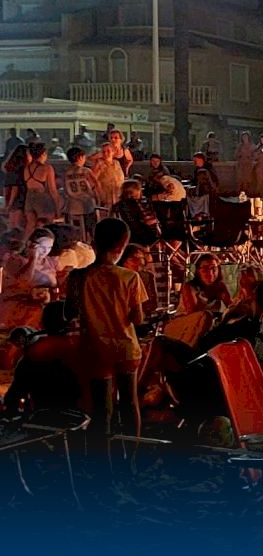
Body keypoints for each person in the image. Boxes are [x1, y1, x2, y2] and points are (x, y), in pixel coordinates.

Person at [65, 218, 147, 447]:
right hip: (126, 348)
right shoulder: (130, 277)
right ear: (122, 246)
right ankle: (132, 458)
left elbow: (69, 313)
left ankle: (104, 459)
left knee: (102, 410)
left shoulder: (77, 277)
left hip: (95, 349)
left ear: (94, 243)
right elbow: (137, 319)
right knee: (130, 404)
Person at [0, 228, 57, 329]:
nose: (45, 251)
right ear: (30, 244)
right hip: (19, 307)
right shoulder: (15, 260)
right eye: (42, 247)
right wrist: (33, 258)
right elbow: (24, 281)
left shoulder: (49, 262)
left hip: (43, 306)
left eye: (49, 247)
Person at [111, 179, 162, 246]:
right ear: (137, 191)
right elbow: (148, 221)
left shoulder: (116, 206)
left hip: (123, 238)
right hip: (141, 237)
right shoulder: (138, 204)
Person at [63, 147, 99, 237]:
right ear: (80, 158)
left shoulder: (65, 172)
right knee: (92, 232)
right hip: (87, 206)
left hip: (72, 207)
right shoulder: (86, 171)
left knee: (73, 233)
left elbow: (65, 189)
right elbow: (96, 186)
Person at [22, 143, 59, 227]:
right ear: (43, 154)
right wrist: (57, 208)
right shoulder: (47, 168)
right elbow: (53, 190)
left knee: (31, 226)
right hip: (42, 198)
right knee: (46, 225)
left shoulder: (26, 168)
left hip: (29, 198)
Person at [91, 142, 125, 210]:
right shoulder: (99, 164)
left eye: (108, 151)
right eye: (103, 152)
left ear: (113, 152)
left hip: (117, 194)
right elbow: (92, 180)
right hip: (104, 196)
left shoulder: (117, 163)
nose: (106, 153)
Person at [4, 144, 29, 231]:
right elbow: (15, 187)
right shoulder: (22, 170)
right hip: (21, 198)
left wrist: (7, 203)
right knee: (19, 226)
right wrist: (10, 203)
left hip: (13, 200)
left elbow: (7, 187)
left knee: (12, 224)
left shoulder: (10, 169)